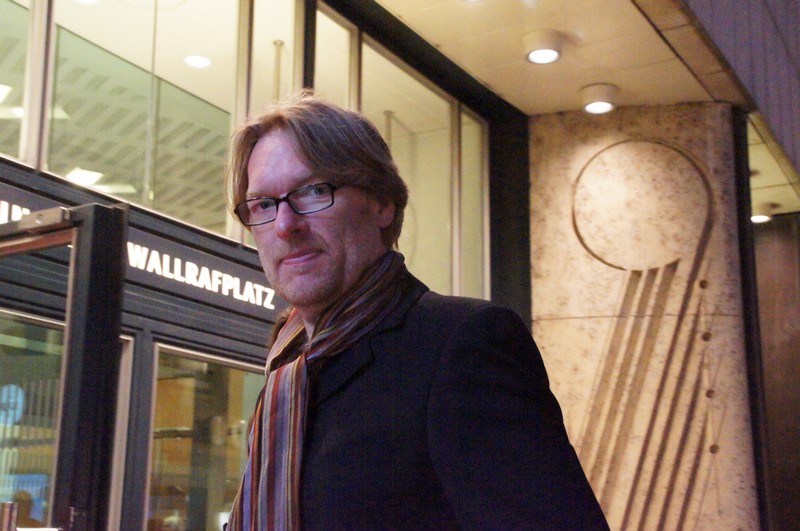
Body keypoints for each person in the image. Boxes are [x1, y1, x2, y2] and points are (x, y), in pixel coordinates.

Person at [225, 90, 609, 530]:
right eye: (263, 204)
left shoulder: (462, 343)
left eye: (313, 191)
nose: (284, 224)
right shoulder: (288, 373)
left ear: (382, 203)